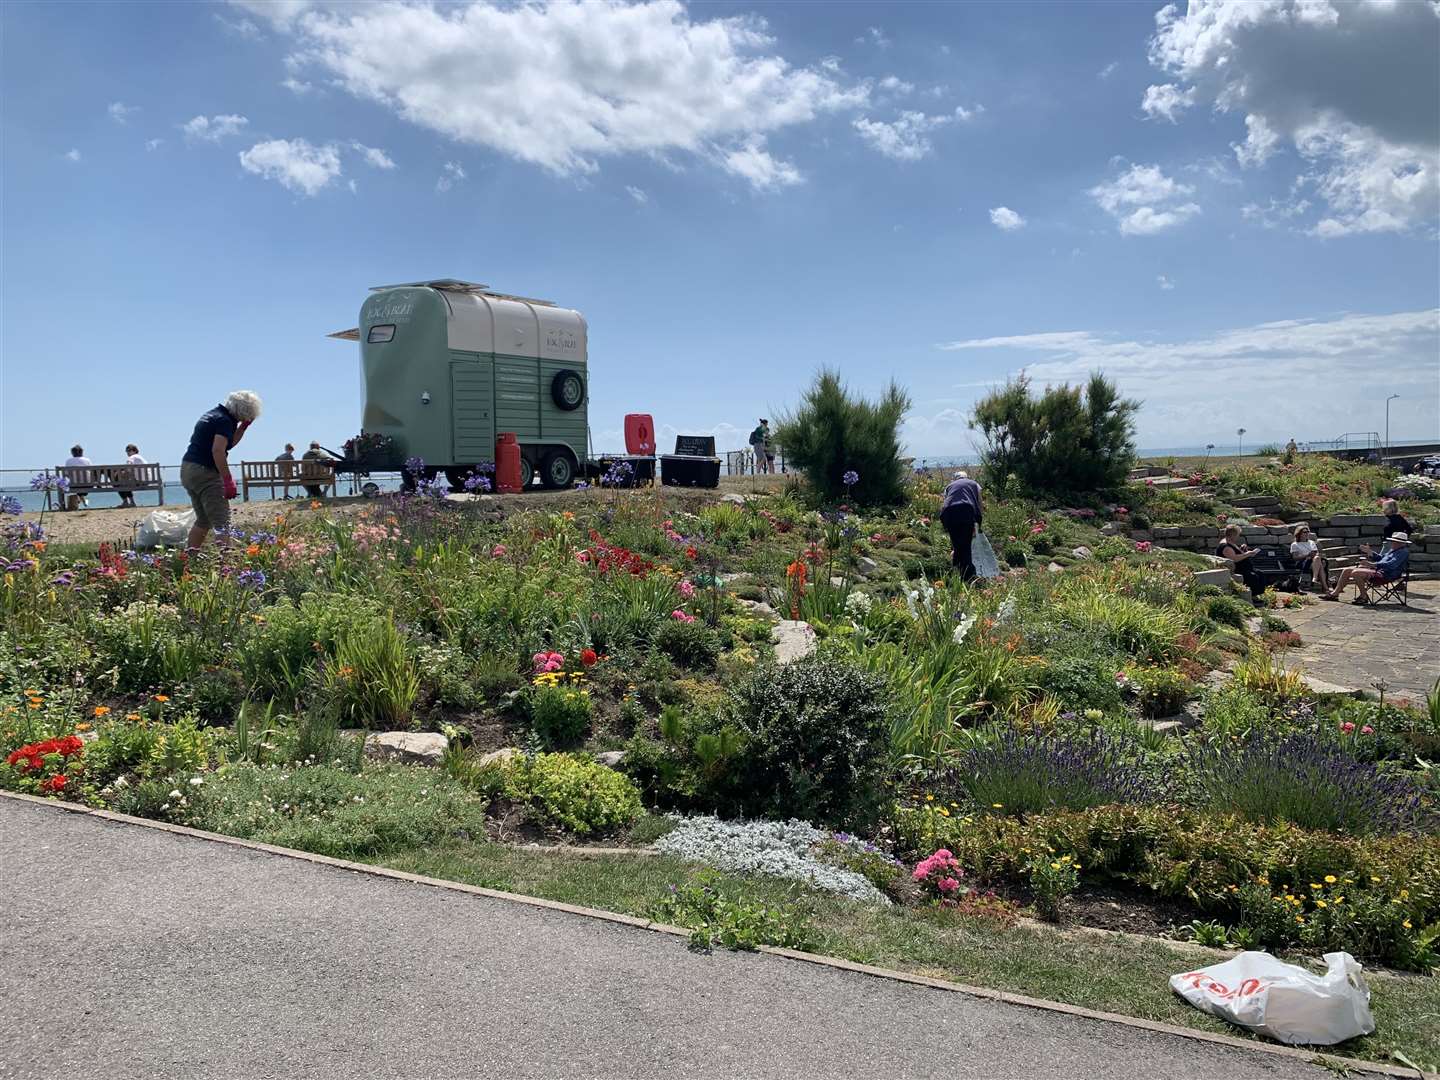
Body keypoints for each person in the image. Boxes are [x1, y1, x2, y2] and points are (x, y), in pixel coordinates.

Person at [181, 390, 261, 550]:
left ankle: (189, 558)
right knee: (222, 522)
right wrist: (227, 480)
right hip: (205, 471)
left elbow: (228, 444)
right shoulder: (224, 421)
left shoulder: (213, 415)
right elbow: (218, 450)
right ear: (244, 410)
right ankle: (226, 567)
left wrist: (243, 428)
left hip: (188, 469)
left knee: (203, 520)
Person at [1321, 533, 1410, 604]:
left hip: (1386, 574)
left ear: (1401, 543)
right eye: (1393, 541)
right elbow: (1381, 558)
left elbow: (1391, 565)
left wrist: (1372, 564)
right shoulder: (1393, 550)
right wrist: (1370, 552)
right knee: (1347, 570)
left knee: (1356, 573)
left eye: (1394, 541)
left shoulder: (1403, 552)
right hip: (1379, 571)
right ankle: (1335, 594)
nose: (1392, 543)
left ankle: (1364, 596)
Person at [940, 470, 983, 582]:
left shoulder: (949, 486)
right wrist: (979, 520)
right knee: (966, 544)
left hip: (948, 513)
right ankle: (968, 575)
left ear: (955, 478)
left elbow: (946, 501)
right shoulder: (974, 483)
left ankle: (956, 570)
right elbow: (979, 502)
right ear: (966, 477)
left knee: (956, 543)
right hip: (966, 511)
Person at [1216, 524, 1265, 604]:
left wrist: (1243, 549)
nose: (1238, 537)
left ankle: (1255, 596)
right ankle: (1252, 597)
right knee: (1253, 577)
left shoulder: (1230, 542)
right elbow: (1234, 559)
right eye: (1237, 535)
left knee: (1260, 574)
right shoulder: (1225, 546)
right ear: (1233, 535)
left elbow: (1237, 553)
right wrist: (1248, 554)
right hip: (1236, 570)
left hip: (1243, 568)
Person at [1289, 524, 1328, 592]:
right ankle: (1325, 587)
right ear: (1299, 534)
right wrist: (1307, 555)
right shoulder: (1295, 544)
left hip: (1314, 560)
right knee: (1320, 564)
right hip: (1303, 561)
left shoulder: (1311, 542)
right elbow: (1295, 557)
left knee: (1318, 559)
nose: (1307, 533)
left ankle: (1315, 579)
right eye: (1305, 532)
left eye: (1308, 532)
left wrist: (1314, 555)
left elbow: (1316, 553)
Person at [115, 443, 146, 508]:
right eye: (127, 451)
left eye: (129, 451)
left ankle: (126, 502)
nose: (127, 453)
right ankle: (131, 502)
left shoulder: (132, 458)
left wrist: (120, 473)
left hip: (140, 482)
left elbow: (128, 468)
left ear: (134, 451)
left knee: (117, 482)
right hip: (148, 481)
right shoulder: (141, 458)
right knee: (125, 482)